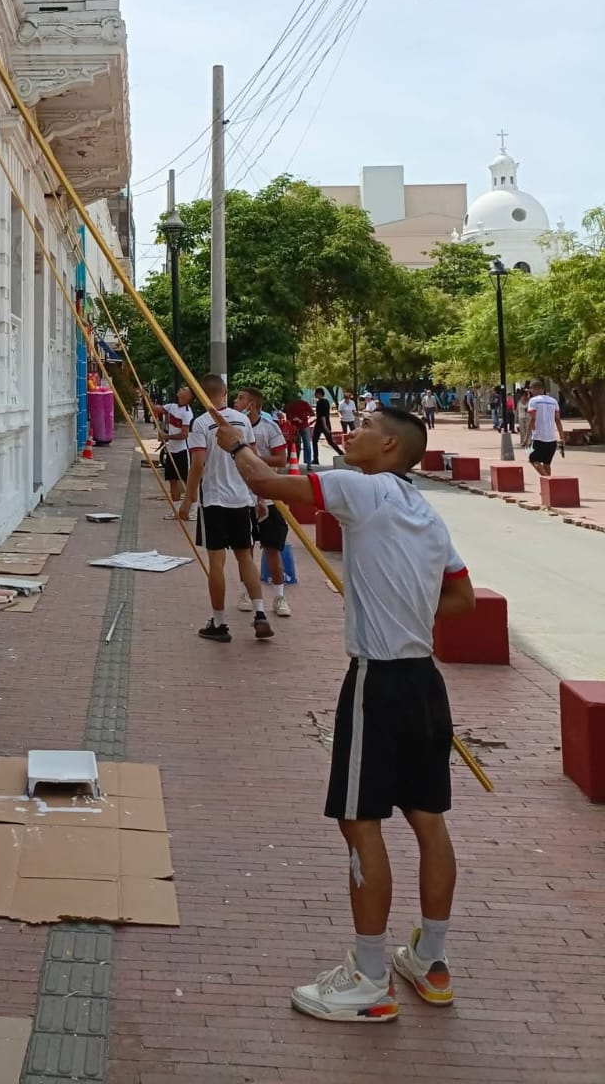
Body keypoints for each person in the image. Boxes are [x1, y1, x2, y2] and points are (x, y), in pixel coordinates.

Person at [212, 403, 475, 1023]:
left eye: (365, 428)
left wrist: (235, 443)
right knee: (429, 820)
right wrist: (404, 604)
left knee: (360, 823)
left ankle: (370, 977)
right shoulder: (426, 513)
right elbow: (461, 597)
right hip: (424, 680)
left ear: (390, 447)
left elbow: (264, 482)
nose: (352, 433)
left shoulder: (363, 489)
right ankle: (431, 961)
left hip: (376, 682)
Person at [177, 374, 273, 642]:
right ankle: (260, 613)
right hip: (241, 499)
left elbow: (198, 464)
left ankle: (219, 622)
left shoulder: (201, 423)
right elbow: (252, 459)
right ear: (225, 393)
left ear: (200, 395)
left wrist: (188, 498)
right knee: (245, 557)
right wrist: (259, 496)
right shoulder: (242, 420)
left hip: (214, 500)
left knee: (216, 562)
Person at [234, 387, 293, 617]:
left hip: (268, 498)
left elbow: (281, 458)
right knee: (245, 551)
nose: (236, 401)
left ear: (253, 405)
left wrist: (256, 459)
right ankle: (247, 593)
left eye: (241, 398)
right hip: (244, 498)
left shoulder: (269, 428)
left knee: (272, 549)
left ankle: (279, 596)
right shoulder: (235, 428)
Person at [159, 385, 195, 516]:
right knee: (172, 480)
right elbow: (156, 408)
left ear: (189, 396)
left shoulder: (187, 413)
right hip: (171, 451)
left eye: (184, 390)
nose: (180, 390)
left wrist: (167, 437)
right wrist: (146, 396)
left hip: (182, 450)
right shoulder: (172, 407)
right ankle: (176, 510)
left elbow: (184, 434)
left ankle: (193, 510)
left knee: (187, 481)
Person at [521, 380, 564, 478]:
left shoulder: (533, 401)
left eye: (531, 389)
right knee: (547, 463)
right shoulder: (553, 401)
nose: (530, 392)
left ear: (534, 389)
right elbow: (557, 420)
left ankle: (549, 480)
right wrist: (562, 437)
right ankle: (549, 485)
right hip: (551, 439)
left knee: (533, 459)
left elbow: (532, 419)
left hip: (538, 437)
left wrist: (526, 438)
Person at [313, 387, 341, 462]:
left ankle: (315, 459)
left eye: (316, 393)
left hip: (321, 425)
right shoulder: (327, 401)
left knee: (314, 441)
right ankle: (341, 453)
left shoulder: (320, 403)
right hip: (326, 423)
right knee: (330, 441)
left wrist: (324, 427)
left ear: (319, 394)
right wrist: (314, 421)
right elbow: (323, 415)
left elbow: (322, 416)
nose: (315, 395)